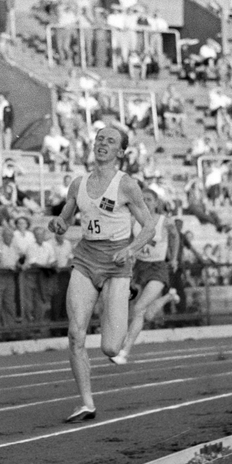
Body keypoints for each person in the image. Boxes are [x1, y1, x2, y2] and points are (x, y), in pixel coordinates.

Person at [48, 124, 156, 423]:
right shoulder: (78, 183)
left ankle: (125, 296)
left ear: (120, 152)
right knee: (74, 334)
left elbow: (149, 227)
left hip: (117, 261)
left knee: (110, 347)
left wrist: (131, 250)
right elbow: (64, 219)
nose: (102, 144)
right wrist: (58, 224)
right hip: (85, 258)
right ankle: (86, 403)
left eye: (110, 141)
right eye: (99, 139)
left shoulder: (127, 185)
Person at [113, 188, 177, 364]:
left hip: (158, 267)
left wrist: (174, 257)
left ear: (156, 202)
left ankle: (124, 352)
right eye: (143, 199)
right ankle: (168, 297)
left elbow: (175, 235)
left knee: (139, 308)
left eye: (149, 199)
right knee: (144, 314)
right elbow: (126, 241)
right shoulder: (134, 220)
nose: (146, 201)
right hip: (139, 267)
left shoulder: (165, 221)